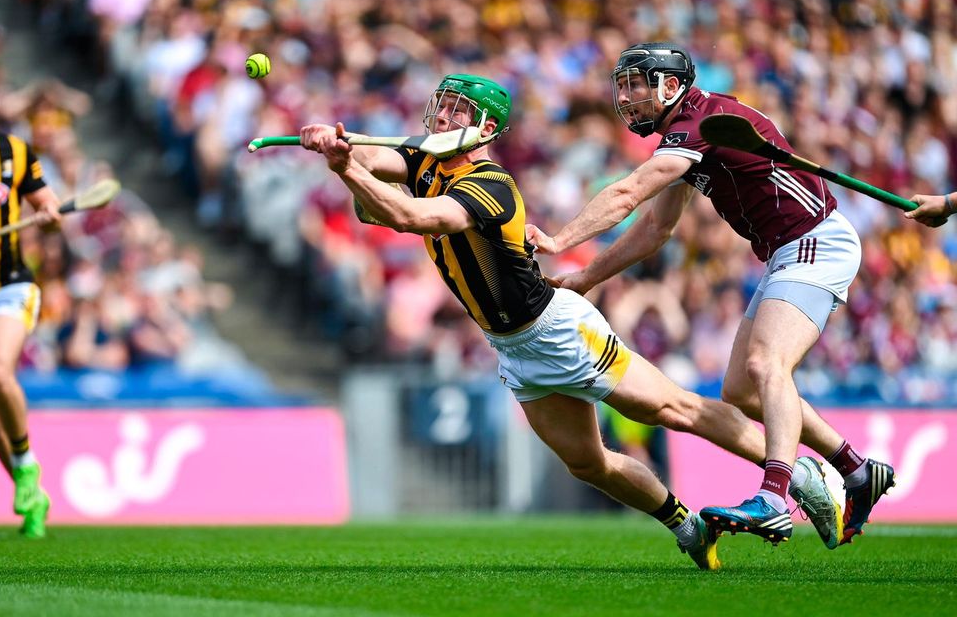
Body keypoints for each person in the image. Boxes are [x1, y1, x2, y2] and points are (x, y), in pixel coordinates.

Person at [300, 73, 837, 569]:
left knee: (675, 409)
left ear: (485, 128)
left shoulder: (489, 184)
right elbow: (374, 171)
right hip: (509, 346)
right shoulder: (425, 163)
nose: (441, 119)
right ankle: (687, 526)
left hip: (556, 329)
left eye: (455, 113)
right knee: (588, 463)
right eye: (440, 108)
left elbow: (406, 216)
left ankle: (798, 471)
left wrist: (346, 165)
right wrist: (338, 143)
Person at [526, 43, 895, 547]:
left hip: (815, 242)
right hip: (786, 252)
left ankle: (772, 497)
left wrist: (559, 240)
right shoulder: (686, 132)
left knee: (768, 365)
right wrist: (587, 278)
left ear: (672, 86)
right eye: (624, 85)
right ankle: (855, 469)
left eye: (639, 83)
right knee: (741, 392)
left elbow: (627, 193)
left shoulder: (701, 123)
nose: (627, 96)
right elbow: (655, 227)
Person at [0, 129, 62, 537]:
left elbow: (47, 204)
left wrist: (49, 216)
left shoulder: (14, 151)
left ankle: (25, 467)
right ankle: (32, 491)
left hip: (11, 284)